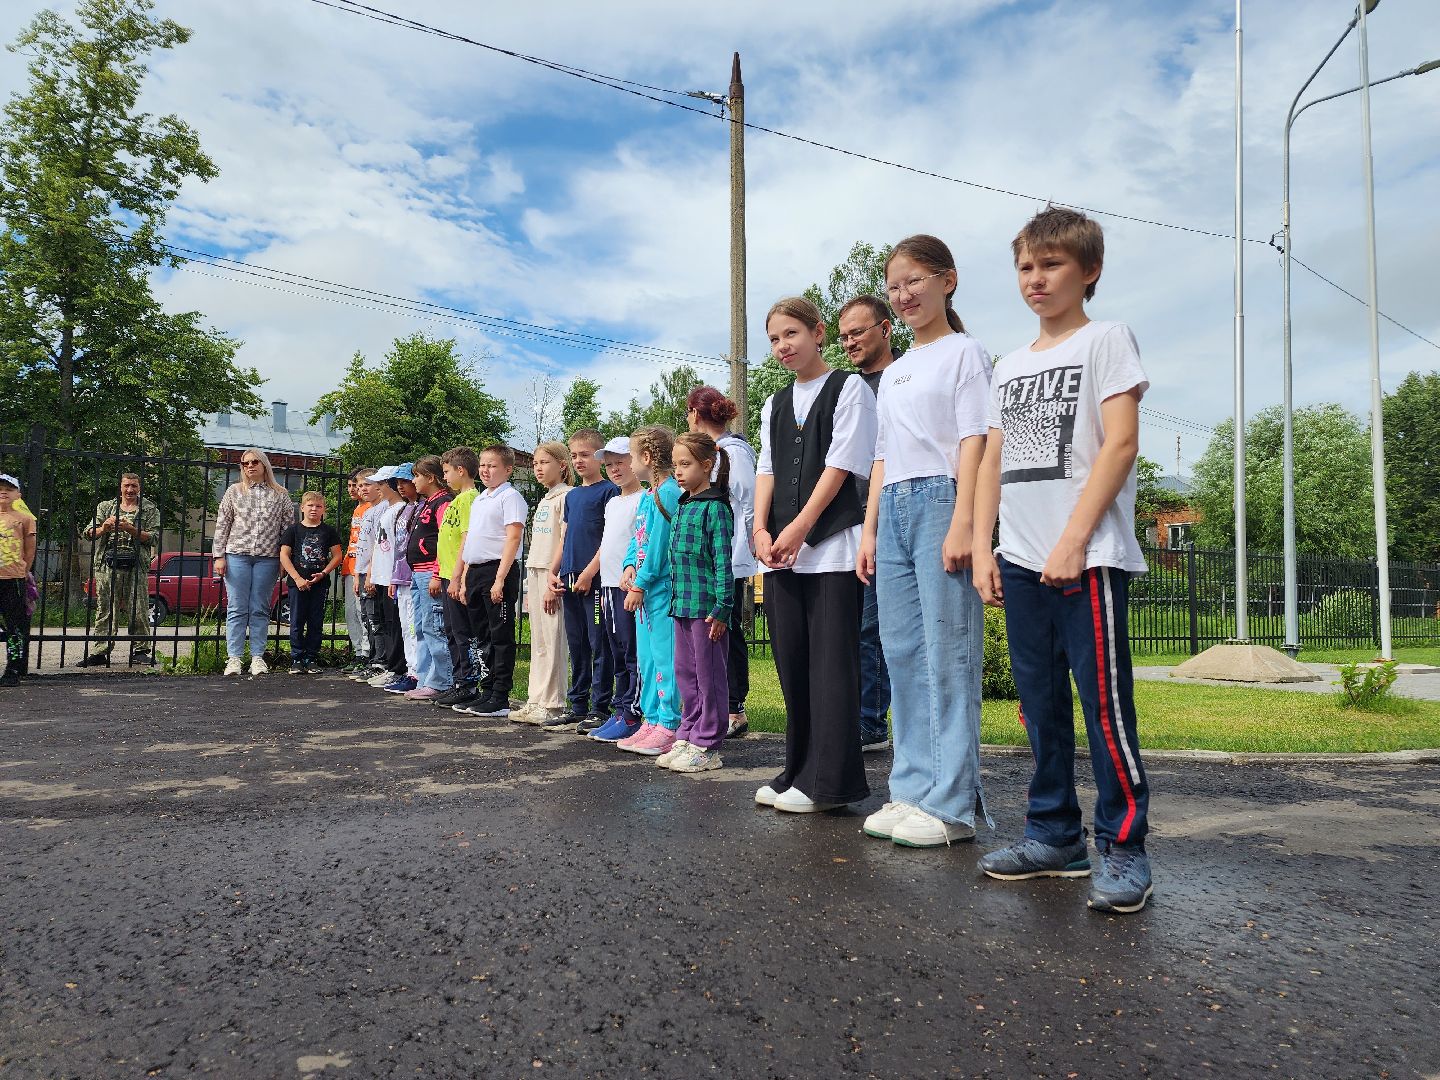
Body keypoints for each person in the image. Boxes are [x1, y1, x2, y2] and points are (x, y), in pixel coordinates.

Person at [972, 206, 1153, 914]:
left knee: (1104, 708)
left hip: (1087, 557)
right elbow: (992, 459)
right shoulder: (1009, 365)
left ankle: (1124, 845)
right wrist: (986, 545)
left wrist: (1075, 539)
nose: (1036, 279)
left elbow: (1121, 443)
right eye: (1026, 266)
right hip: (1019, 558)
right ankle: (1054, 837)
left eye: (1051, 265)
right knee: (1040, 707)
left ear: (1090, 271)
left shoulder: (1107, 340)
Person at [857, 234, 992, 849]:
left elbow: (975, 439)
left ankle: (953, 803)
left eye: (915, 280)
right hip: (893, 506)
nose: (905, 294)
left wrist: (966, 520)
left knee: (948, 651)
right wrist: (870, 529)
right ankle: (910, 789)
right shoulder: (894, 372)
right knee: (903, 651)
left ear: (947, 280)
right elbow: (883, 453)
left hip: (943, 499)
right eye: (894, 287)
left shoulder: (966, 353)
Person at [753, 297, 875, 813]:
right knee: (793, 664)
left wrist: (799, 528)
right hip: (780, 553)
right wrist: (760, 528)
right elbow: (767, 468)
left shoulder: (848, 389)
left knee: (831, 668)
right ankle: (797, 771)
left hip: (831, 549)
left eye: (791, 334)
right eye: (774, 339)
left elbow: (841, 465)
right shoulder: (775, 403)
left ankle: (830, 783)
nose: (782, 346)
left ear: (818, 332)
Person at [837, 296, 901, 752]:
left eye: (857, 332)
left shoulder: (903, 379)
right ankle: (856, 717)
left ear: (885, 328)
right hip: (848, 524)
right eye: (843, 336)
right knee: (850, 628)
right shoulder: (846, 389)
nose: (849, 342)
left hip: (895, 516)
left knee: (874, 629)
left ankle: (870, 723)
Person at [656, 431, 734, 775]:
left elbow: (723, 563)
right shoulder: (683, 505)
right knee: (686, 675)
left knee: (709, 677)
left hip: (706, 611)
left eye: (685, 464)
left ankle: (708, 744)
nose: (678, 471)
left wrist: (723, 607)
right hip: (682, 607)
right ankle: (688, 734)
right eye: (675, 465)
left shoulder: (715, 508)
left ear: (706, 465)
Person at [685, 386, 757, 736]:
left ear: (695, 414)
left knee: (726, 626)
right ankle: (713, 703)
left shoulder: (733, 452)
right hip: (707, 556)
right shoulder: (708, 452)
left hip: (729, 551)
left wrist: (748, 546)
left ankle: (733, 708)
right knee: (711, 627)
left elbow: (749, 502)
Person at [617, 425, 683, 756]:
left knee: (664, 658)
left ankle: (669, 724)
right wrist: (629, 565)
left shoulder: (668, 493)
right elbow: (638, 538)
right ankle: (652, 719)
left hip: (661, 591)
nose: (629, 463)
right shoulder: (647, 496)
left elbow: (659, 547)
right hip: (645, 592)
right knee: (646, 659)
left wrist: (641, 583)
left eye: (631, 456)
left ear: (646, 457)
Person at [549, 429, 619, 731]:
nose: (579, 460)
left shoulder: (609, 492)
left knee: (598, 642)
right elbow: (564, 538)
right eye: (574, 455)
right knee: (577, 645)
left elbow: (609, 539)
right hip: (569, 577)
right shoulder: (573, 496)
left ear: (599, 458)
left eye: (585, 455)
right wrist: (553, 571)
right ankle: (577, 705)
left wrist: (589, 573)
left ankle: (599, 707)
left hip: (595, 580)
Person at [450, 445, 527, 717]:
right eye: (483, 465)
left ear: (508, 469)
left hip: (497, 570)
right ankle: (487, 689)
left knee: (500, 635)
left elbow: (513, 538)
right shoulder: (481, 499)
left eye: (492, 465)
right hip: (476, 571)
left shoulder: (510, 497)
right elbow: (472, 541)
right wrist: (463, 578)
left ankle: (500, 695)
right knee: (482, 636)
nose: (485, 470)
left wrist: (500, 579)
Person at [214, 448, 295, 677]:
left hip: (268, 558)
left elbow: (288, 530)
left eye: (254, 462)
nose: (250, 466)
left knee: (260, 608)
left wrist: (285, 560)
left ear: (264, 464)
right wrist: (219, 556)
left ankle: (257, 657)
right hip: (237, 555)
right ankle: (234, 658)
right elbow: (223, 524)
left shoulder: (280, 494)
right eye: (245, 463)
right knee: (237, 608)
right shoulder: (234, 491)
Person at [585, 437, 644, 742]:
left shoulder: (644, 499)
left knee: (632, 651)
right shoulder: (612, 502)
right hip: (607, 584)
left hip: (627, 587)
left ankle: (634, 712)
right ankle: (620, 709)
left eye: (620, 462)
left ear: (635, 461)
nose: (614, 469)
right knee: (615, 651)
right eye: (609, 464)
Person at [509, 442, 573, 725]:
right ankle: (535, 698)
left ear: (562, 465)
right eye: (535, 463)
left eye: (544, 462)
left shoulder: (566, 496)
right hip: (535, 570)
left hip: (551, 574)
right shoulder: (547, 498)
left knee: (553, 638)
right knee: (539, 641)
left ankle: (553, 703)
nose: (538, 468)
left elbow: (564, 540)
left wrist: (553, 580)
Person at [79, 472, 161, 667]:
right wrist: (104, 528)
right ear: (120, 487)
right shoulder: (106, 507)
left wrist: (131, 529)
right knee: (106, 609)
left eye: (134, 486)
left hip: (137, 565)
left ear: (139, 488)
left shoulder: (149, 508)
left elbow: (154, 538)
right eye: (126, 486)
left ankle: (140, 651)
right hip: (108, 565)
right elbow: (88, 533)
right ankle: (100, 651)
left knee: (139, 608)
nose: (130, 490)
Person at [431, 448, 481, 708]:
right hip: (448, 573)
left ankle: (468, 683)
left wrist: (458, 577)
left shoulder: (470, 499)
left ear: (461, 470)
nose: (445, 477)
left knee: (462, 632)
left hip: (456, 575)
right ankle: (459, 680)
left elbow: (467, 538)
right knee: (451, 630)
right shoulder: (457, 500)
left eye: (447, 472)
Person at [402, 456, 455, 701]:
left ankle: (442, 680)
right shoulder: (427, 503)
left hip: (429, 573)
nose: (414, 481)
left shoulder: (443, 502)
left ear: (431, 478)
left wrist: (436, 573)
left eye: (417, 476)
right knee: (422, 627)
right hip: (418, 572)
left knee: (435, 627)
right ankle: (424, 678)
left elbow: (445, 539)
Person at [279, 491, 342, 673]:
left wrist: (324, 573)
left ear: (324, 510)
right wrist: (297, 578)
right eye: (310, 505)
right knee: (296, 621)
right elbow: (284, 555)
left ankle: (311, 657)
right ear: (302, 508)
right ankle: (297, 658)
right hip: (297, 583)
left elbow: (337, 556)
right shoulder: (293, 530)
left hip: (319, 583)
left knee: (316, 621)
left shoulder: (328, 531)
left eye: (318, 506)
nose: (314, 509)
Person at [361, 465, 407, 688]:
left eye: (381, 483)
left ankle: (398, 668)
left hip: (390, 576)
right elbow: (378, 545)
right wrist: (371, 573)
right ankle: (390, 665)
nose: (377, 487)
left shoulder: (401, 509)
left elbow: (399, 547)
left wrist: (393, 577)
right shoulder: (387, 509)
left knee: (395, 624)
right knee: (386, 623)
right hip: (380, 575)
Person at [381, 466, 421, 694]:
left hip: (414, 575)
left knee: (415, 627)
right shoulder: (405, 509)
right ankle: (410, 669)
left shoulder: (422, 507)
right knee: (406, 627)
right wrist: (393, 577)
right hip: (401, 575)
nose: (400, 487)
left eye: (405, 481)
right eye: (397, 483)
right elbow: (398, 547)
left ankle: (417, 673)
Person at [349, 469, 389, 682]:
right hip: (362, 571)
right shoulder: (367, 511)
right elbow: (361, 547)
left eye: (367, 484)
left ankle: (380, 662)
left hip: (373, 572)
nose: (362, 489)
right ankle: (372, 660)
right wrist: (357, 575)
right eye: (359, 485)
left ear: (379, 486)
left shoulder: (383, 509)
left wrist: (370, 573)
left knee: (375, 619)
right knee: (366, 618)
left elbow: (377, 545)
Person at [0, 473, 37, 687]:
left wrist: (23, 572)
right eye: (0, 488)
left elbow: (29, 550)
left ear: (18, 495)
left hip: (13, 578)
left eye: (9, 489)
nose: (3, 492)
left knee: (15, 625)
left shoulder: (24, 518)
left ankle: (13, 668)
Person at [341, 468, 374, 671]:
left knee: (363, 613)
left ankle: (366, 653)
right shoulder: (357, 509)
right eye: (351, 485)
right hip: (350, 566)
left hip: (362, 569)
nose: (353, 489)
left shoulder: (371, 507)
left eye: (357, 485)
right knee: (351, 613)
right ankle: (358, 651)